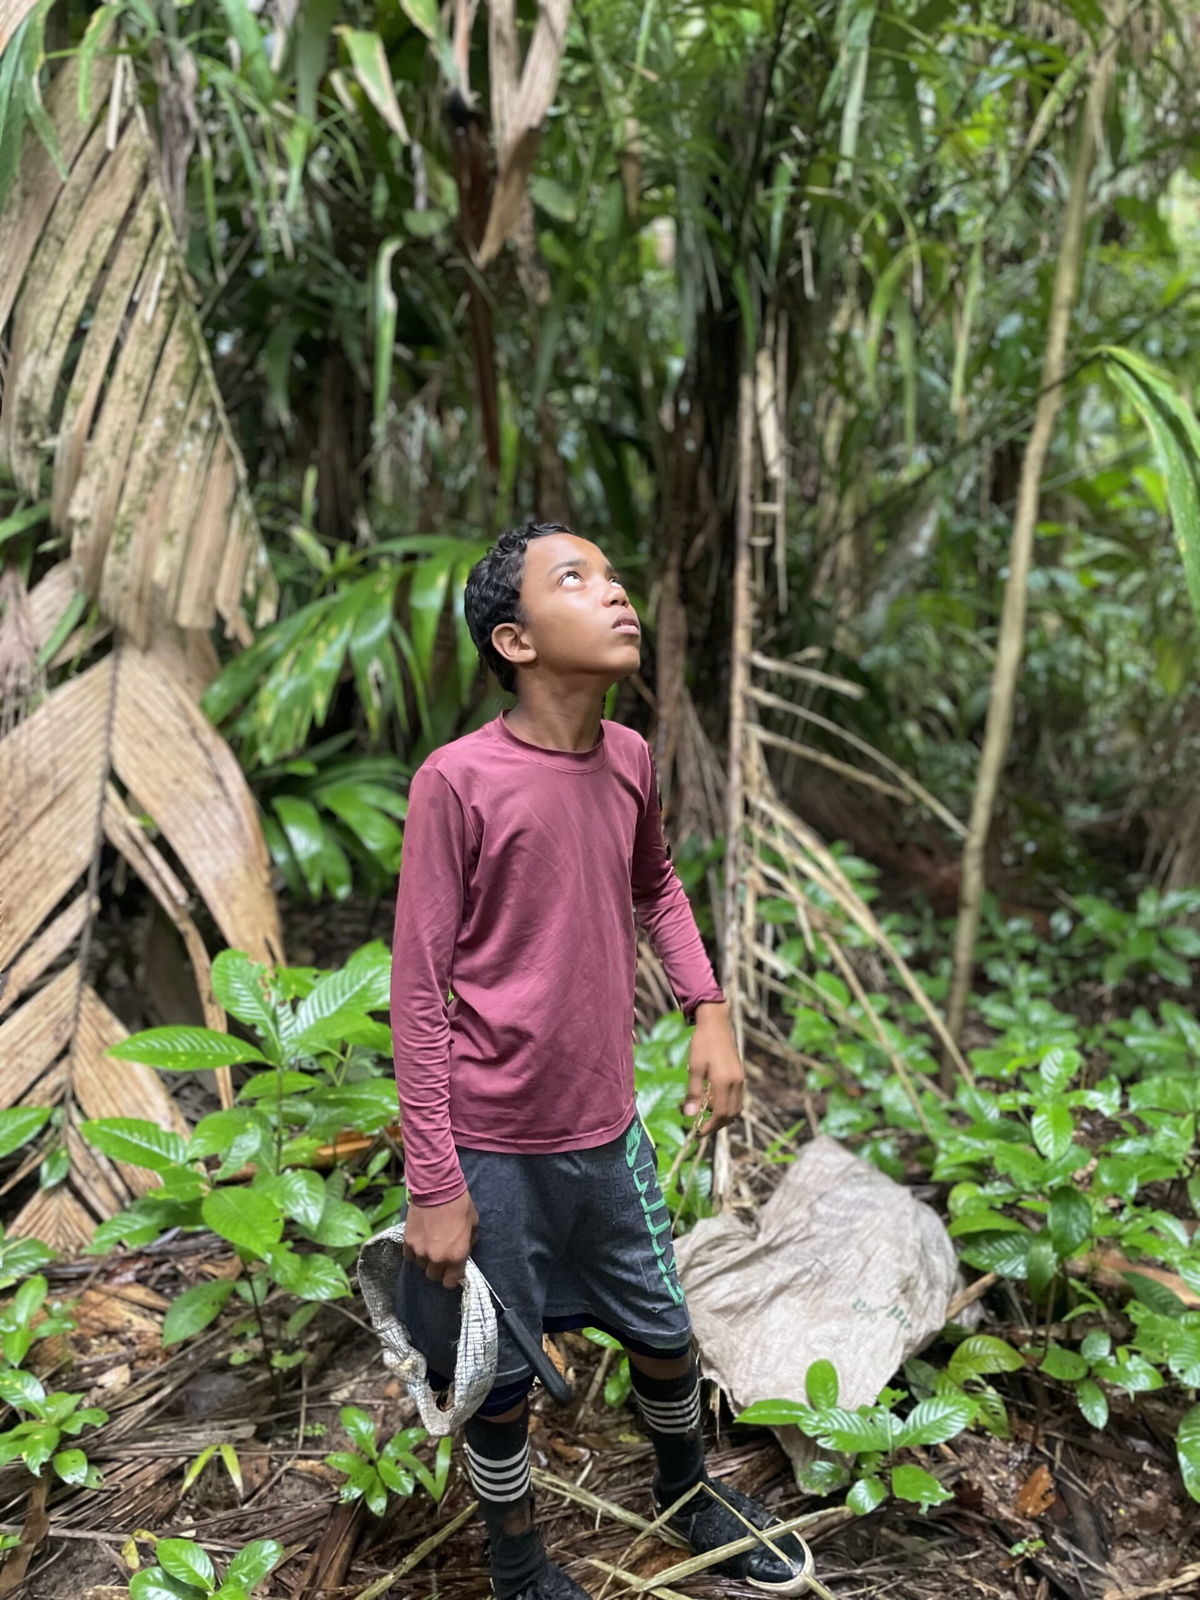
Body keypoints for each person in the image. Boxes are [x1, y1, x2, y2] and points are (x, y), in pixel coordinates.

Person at [389, 520, 809, 1599]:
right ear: (515, 641)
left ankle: (682, 1484)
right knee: (495, 1377)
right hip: (492, 1145)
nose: (615, 592)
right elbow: (418, 989)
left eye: (614, 574)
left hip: (607, 1130)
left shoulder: (628, 758)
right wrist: (435, 1180)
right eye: (576, 579)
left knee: (664, 1328)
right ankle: (521, 1561)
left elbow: (655, 883)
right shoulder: (458, 780)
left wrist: (708, 1008)